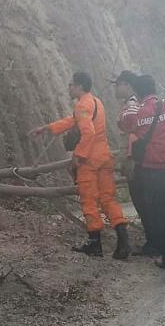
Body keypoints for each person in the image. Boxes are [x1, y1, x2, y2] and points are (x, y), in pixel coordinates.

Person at [30, 72, 131, 259]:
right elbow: (73, 120)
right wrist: (47, 128)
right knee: (108, 199)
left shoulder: (82, 104)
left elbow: (88, 132)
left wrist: (78, 155)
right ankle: (123, 242)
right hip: (104, 157)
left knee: (89, 201)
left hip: (90, 161)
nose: (69, 88)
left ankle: (95, 244)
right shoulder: (95, 102)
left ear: (79, 86)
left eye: (71, 85)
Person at [118, 75, 165, 282]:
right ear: (155, 89)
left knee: (159, 218)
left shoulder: (137, 112)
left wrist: (132, 103)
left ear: (137, 91)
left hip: (152, 175)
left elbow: (124, 123)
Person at [111, 71, 158, 257]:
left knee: (143, 202)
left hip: (136, 159)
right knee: (146, 203)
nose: (116, 89)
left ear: (127, 85)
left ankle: (154, 243)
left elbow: (131, 127)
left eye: (118, 85)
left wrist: (129, 158)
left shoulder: (132, 104)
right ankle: (155, 241)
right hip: (140, 158)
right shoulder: (137, 103)